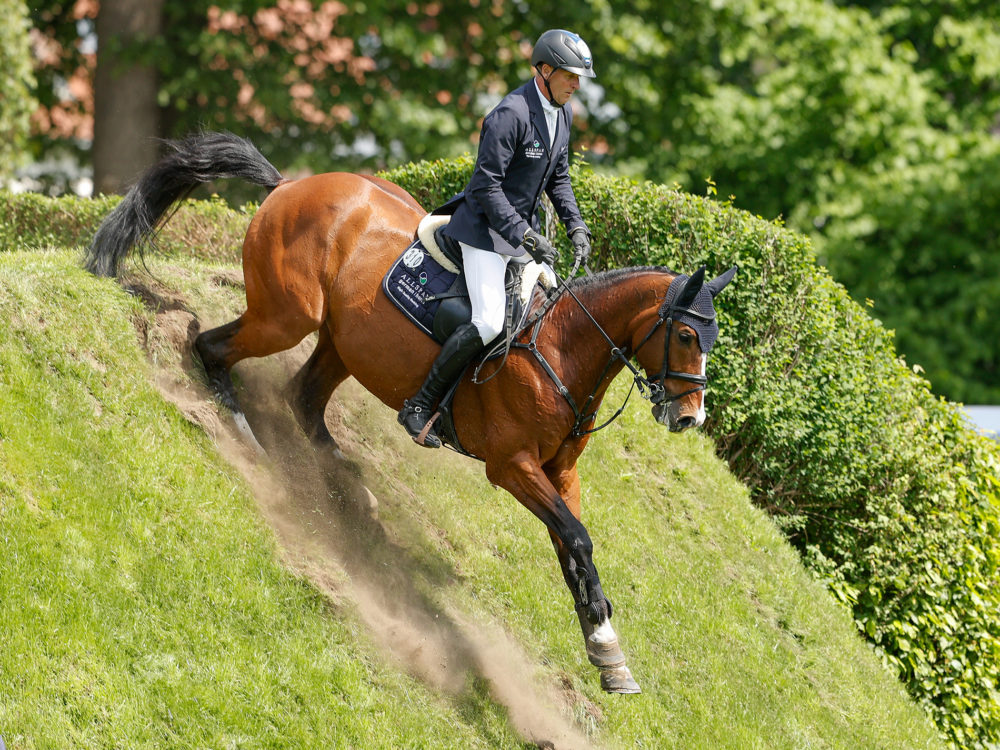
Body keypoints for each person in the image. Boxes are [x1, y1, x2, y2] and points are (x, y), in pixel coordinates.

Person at [398, 28, 596, 448]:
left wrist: (576, 225)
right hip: (484, 233)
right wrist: (524, 234)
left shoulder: (562, 113)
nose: (577, 85)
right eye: (570, 76)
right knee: (488, 321)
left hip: (518, 236)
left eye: (579, 78)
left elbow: (558, 179)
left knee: (545, 313)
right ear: (544, 70)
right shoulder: (510, 114)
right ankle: (420, 405)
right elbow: (485, 188)